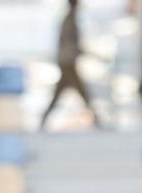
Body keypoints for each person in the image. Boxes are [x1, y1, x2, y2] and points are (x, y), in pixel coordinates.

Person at [40, 0, 100, 130]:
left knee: (61, 94)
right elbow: (70, 42)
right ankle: (98, 120)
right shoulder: (70, 19)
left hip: (67, 61)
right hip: (68, 62)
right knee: (82, 92)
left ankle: (97, 119)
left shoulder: (70, 18)